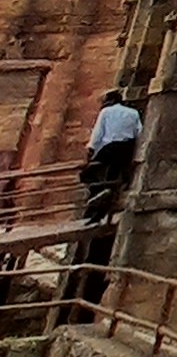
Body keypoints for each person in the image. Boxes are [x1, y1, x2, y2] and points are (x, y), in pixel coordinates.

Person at [65, 91, 143, 320]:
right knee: (112, 178)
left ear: (108, 102)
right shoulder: (133, 112)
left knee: (93, 178)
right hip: (126, 149)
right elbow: (139, 132)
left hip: (109, 149)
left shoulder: (107, 112)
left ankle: (95, 209)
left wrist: (90, 153)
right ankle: (111, 193)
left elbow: (97, 135)